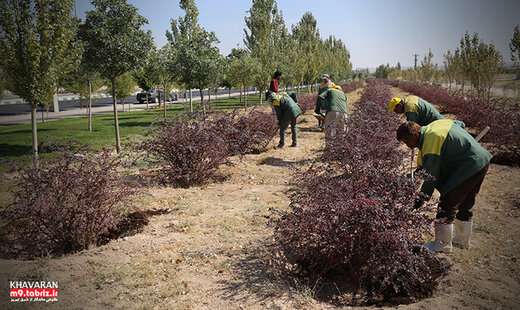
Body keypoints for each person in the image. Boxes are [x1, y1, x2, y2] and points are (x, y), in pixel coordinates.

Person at [396, 120, 492, 253]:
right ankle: (461, 241)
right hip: (481, 160)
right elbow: (460, 124)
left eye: (407, 142)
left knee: (447, 203)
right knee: (466, 202)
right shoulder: (434, 126)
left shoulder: (431, 140)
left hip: (468, 166)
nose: (408, 146)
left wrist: (421, 199)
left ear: (414, 135)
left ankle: (442, 245)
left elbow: (431, 176)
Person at [314, 74, 348, 140]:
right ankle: (341, 147)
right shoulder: (343, 93)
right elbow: (345, 101)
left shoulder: (330, 89)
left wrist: (317, 109)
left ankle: (330, 146)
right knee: (343, 132)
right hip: (344, 112)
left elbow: (320, 97)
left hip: (331, 108)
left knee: (330, 131)